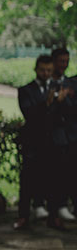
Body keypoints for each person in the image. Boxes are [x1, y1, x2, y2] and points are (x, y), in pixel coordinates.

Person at [15, 55, 55, 230]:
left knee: (54, 179)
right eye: (42, 70)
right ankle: (24, 216)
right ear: (36, 69)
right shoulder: (26, 90)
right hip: (32, 142)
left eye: (49, 70)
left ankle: (53, 216)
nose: (45, 73)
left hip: (53, 142)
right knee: (27, 180)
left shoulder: (58, 88)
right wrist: (46, 103)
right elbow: (29, 113)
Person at [50, 47, 76, 221]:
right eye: (61, 61)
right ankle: (58, 206)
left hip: (72, 135)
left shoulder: (72, 83)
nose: (63, 65)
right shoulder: (48, 84)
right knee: (57, 173)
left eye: (66, 61)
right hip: (54, 135)